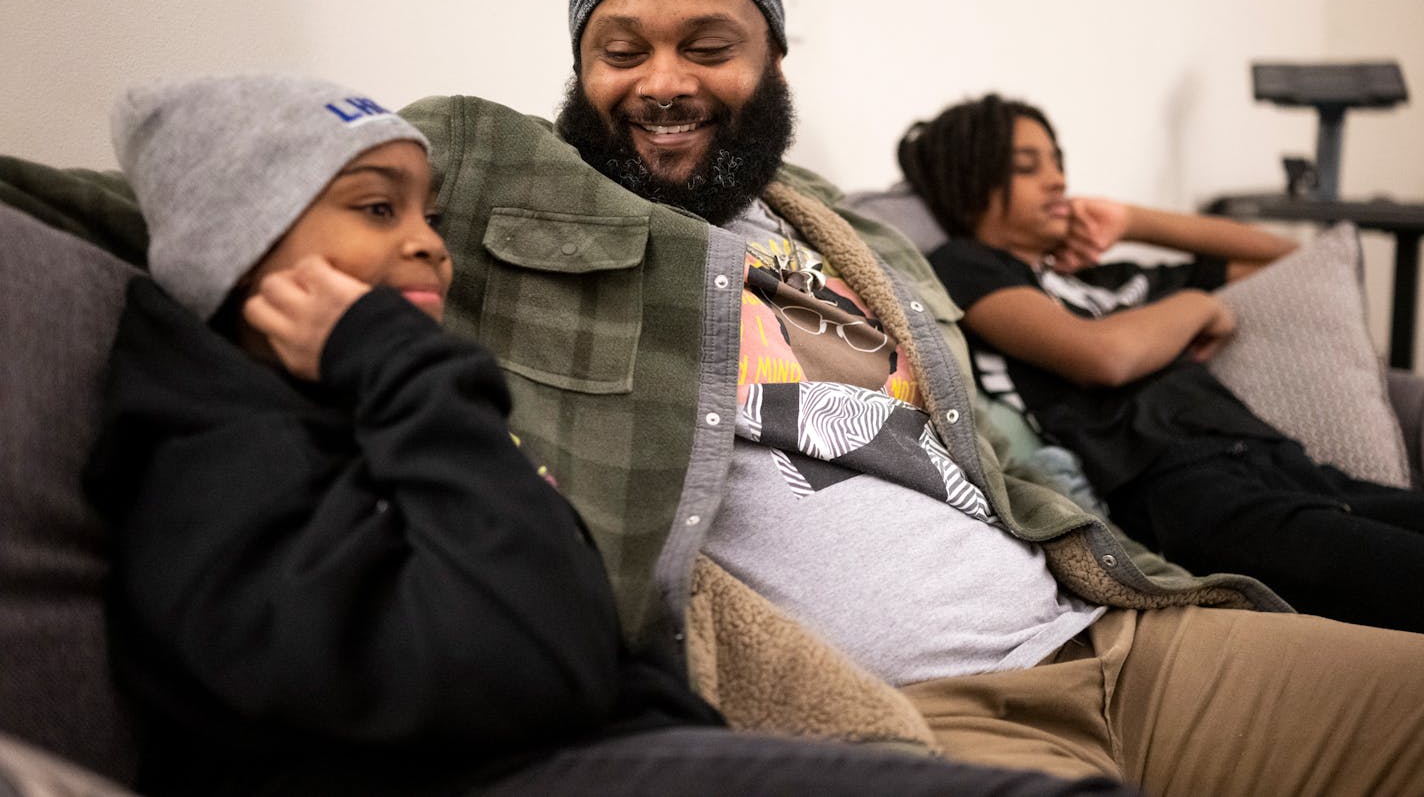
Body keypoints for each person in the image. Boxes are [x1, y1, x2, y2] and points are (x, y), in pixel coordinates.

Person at [400, 0, 1424, 794]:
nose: (663, 81)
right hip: (922, 709)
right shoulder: (529, 228)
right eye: (619, 52)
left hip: (1114, 635)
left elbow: (994, 447)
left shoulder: (855, 236)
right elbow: (383, 152)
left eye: (707, 47)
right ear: (578, 71)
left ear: (772, 59)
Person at [82, 73, 1123, 797]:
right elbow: (535, 658)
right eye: (373, 205)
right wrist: (409, 372)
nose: (425, 246)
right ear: (239, 248)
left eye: (428, 215)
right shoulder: (212, 467)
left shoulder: (356, 414)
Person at [897, 92, 1424, 635]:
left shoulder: (1114, 280)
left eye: (1058, 162)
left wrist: (1130, 221)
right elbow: (1103, 356)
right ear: (969, 182)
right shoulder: (966, 267)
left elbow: (1305, 264)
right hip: (1186, 490)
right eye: (1026, 168)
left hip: (1284, 461)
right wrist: (1198, 306)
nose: (1056, 180)